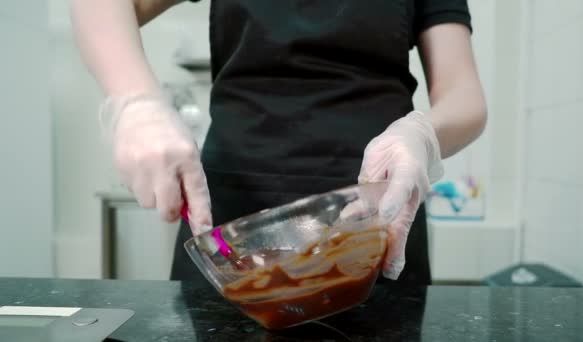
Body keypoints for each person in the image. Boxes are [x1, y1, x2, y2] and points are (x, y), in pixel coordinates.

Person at [70, 0, 486, 285]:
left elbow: (464, 96)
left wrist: (421, 135)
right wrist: (137, 104)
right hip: (233, 221)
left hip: (376, 215)